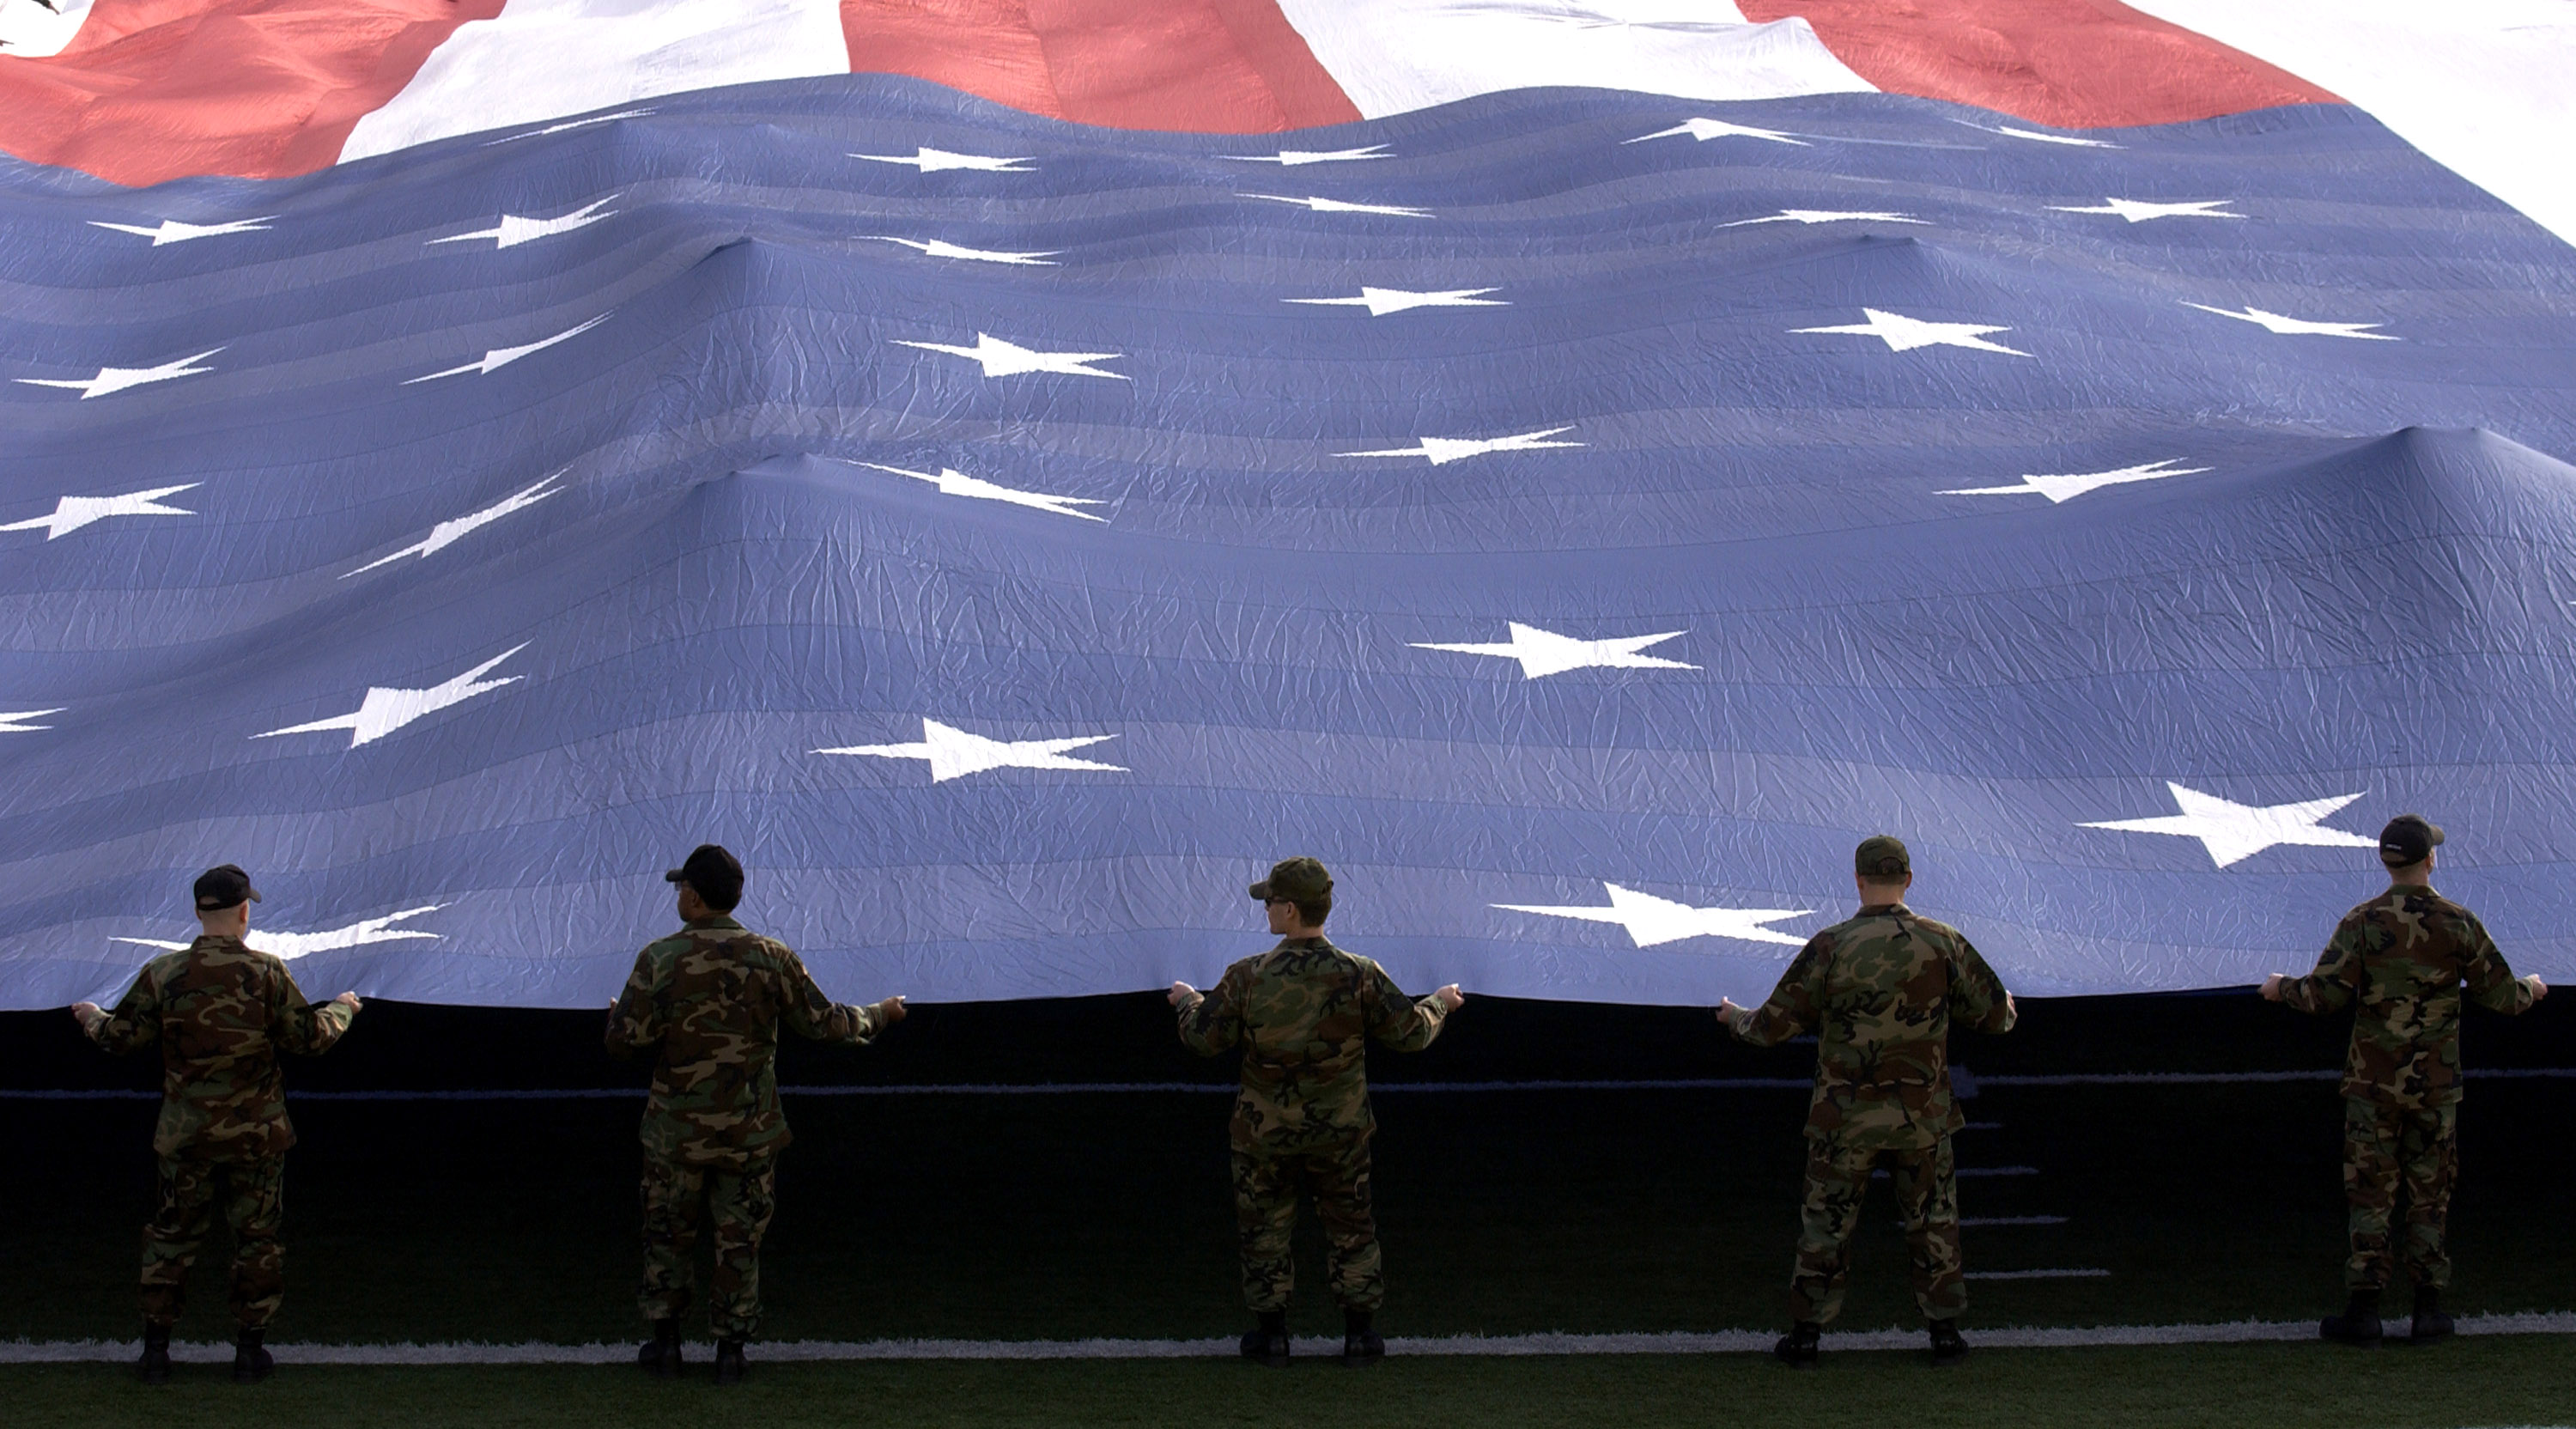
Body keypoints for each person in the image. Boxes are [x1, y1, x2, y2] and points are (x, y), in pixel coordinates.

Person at [605, 843, 906, 1385]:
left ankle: (667, 1347)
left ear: (694, 898)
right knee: (739, 1241)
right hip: (748, 1135)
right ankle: (731, 1354)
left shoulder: (659, 960)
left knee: (668, 1236)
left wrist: (622, 1017)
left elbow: (623, 1042)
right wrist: (880, 1015)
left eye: (681, 889)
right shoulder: (771, 957)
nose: (679, 895)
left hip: (676, 1136)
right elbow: (827, 1023)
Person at [1718, 835, 2015, 1368]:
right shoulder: (1943, 943)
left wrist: (1733, 1017)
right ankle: (1945, 1333)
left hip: (1844, 1120)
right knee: (1934, 1224)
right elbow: (1997, 1018)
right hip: (1921, 1119)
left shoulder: (1832, 945)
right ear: (1909, 878)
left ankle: (1806, 1337)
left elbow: (1769, 1027)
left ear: (1857, 880)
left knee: (1826, 1226)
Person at [70, 865, 362, 1384]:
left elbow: (119, 1038)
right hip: (256, 1137)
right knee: (256, 1240)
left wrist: (89, 1016)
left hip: (186, 1137)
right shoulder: (268, 974)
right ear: (245, 911)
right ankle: (250, 1351)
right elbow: (311, 1039)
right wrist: (342, 1010)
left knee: (171, 1239)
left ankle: (156, 1352)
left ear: (198, 911)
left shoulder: (165, 974)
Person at [2262, 813, 2547, 1347]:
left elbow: (2325, 995)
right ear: (2429, 859)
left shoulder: (2363, 921)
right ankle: (2429, 1310)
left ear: (2386, 861)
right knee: (2430, 1194)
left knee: (2371, 1193)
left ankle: (2364, 1310)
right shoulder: (2456, 922)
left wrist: (2282, 988)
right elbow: (2505, 996)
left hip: (2372, 1088)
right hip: (2435, 1088)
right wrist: (2533, 987)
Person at [1170, 857, 1464, 1368]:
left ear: (1289, 909)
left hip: (1264, 1137)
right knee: (1351, 1229)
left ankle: (1273, 1338)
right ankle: (1359, 1337)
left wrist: (1187, 1002)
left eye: (1270, 902)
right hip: (1340, 1135)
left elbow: (1202, 1038)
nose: (1265, 909)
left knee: (1264, 1230)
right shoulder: (1358, 974)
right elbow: (1411, 1033)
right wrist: (1439, 1003)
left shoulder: (1248, 977)